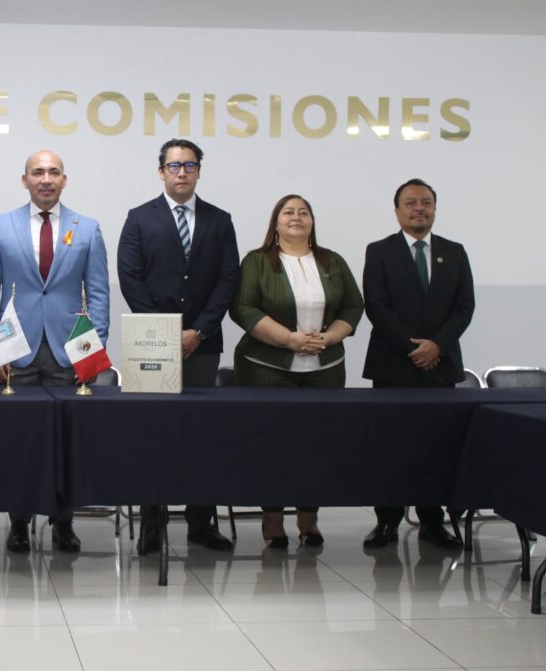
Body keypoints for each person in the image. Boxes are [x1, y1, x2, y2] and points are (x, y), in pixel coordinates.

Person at [0, 149, 110, 554]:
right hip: (15, 348)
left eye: (54, 172)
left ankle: (64, 523)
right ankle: (19, 523)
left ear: (64, 180)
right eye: (38, 172)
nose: (46, 179)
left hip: (69, 351)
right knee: (18, 442)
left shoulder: (88, 228)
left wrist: (92, 352)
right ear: (25, 180)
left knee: (68, 441)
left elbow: (98, 293)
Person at [117, 138, 240, 554]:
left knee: (202, 434)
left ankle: (200, 523)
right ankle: (152, 524)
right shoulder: (139, 218)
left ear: (199, 171)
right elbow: (130, 275)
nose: (182, 172)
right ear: (161, 171)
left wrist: (198, 331)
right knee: (153, 435)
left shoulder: (219, 220)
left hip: (202, 345)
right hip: (151, 345)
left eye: (189, 165)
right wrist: (164, 331)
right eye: (174, 165)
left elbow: (227, 279)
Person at [229, 194, 364, 548]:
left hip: (325, 367)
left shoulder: (333, 261)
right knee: (271, 445)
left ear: (312, 222)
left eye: (304, 212)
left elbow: (353, 305)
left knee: (317, 446)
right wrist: (289, 339)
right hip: (266, 368)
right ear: (276, 222)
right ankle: (273, 520)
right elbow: (243, 308)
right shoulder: (257, 261)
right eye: (288, 212)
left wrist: (329, 338)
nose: (296, 217)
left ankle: (309, 520)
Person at [361, 178, 475, 549]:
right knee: (390, 448)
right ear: (397, 211)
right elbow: (377, 305)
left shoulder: (454, 252)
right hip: (393, 365)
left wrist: (437, 345)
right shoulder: (379, 251)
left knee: (436, 447)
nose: (419, 209)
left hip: (441, 366)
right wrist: (413, 348)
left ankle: (432, 522)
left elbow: (464, 307)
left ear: (434, 209)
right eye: (410, 203)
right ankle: (387, 521)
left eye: (425, 202)